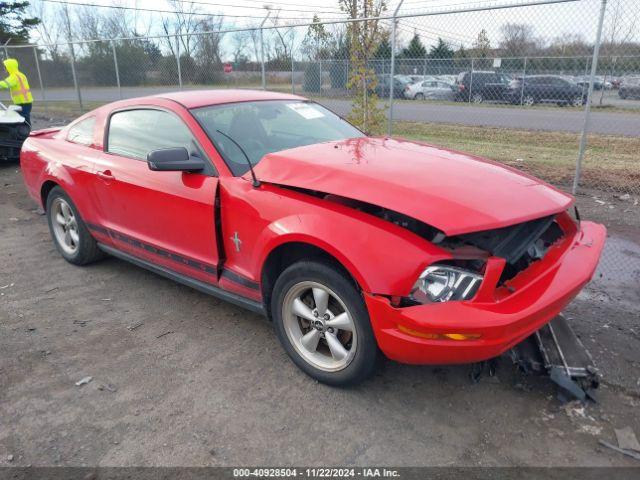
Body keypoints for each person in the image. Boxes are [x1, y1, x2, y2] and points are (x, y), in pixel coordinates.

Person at [0, 58, 33, 126]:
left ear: (10, 67)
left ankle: (26, 130)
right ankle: (24, 129)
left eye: (5, 67)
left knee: (23, 118)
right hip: (24, 102)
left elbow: (5, 84)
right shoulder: (20, 75)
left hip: (23, 103)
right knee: (15, 114)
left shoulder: (14, 77)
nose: (5, 69)